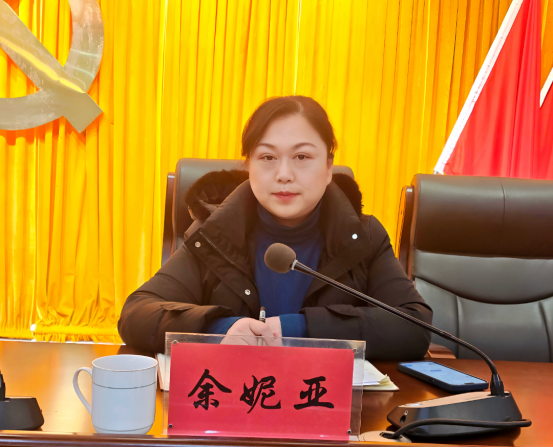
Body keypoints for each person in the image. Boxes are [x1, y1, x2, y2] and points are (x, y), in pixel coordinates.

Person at [118, 96, 432, 359]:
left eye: (302, 156)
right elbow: (136, 314)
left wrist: (302, 329)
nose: (284, 174)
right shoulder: (214, 233)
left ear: (328, 168)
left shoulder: (362, 237)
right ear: (248, 167)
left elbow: (415, 326)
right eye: (267, 157)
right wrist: (222, 329)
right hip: (235, 403)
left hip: (323, 405)